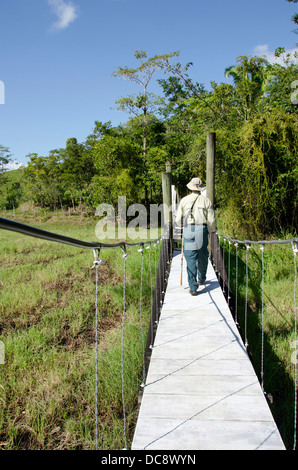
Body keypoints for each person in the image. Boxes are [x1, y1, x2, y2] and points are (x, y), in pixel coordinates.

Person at [175, 177, 217, 295]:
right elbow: (211, 219)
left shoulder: (184, 200)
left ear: (190, 188)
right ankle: (201, 278)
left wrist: (181, 226)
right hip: (201, 229)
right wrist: (213, 230)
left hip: (188, 229)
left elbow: (178, 219)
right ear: (200, 188)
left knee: (190, 258)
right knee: (203, 254)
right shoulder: (206, 201)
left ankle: (193, 287)